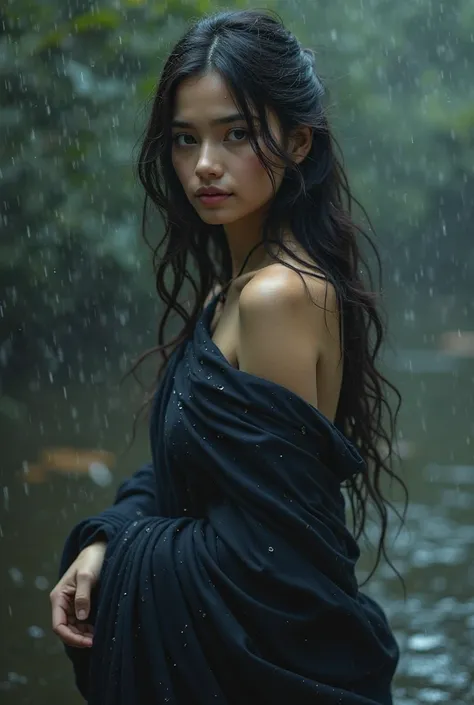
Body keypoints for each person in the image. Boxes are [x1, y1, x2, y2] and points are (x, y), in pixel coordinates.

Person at [50, 9, 406, 705]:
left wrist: (122, 555)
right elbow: (206, 479)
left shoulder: (278, 295)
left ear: (298, 141)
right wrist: (103, 542)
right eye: (186, 140)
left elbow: (267, 561)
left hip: (275, 670)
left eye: (235, 134)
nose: (204, 165)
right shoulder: (231, 289)